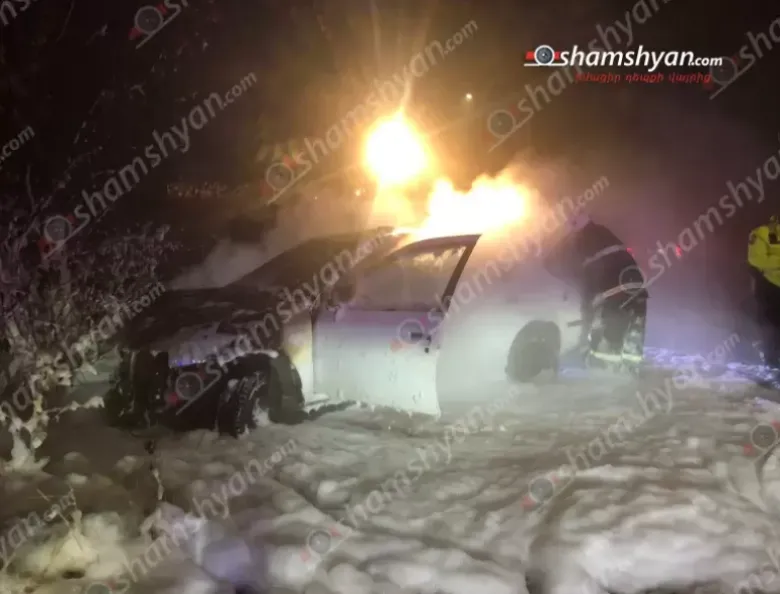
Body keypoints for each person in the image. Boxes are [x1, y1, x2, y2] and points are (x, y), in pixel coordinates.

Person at [543, 212, 648, 373]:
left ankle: (604, 377)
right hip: (638, 291)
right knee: (632, 341)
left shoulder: (577, 244)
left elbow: (587, 291)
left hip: (614, 294)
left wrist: (586, 326)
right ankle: (632, 373)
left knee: (606, 350)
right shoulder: (601, 233)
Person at [747, 214, 780, 368]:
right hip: (769, 287)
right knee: (770, 325)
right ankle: (770, 360)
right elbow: (756, 259)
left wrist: (773, 260)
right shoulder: (761, 233)